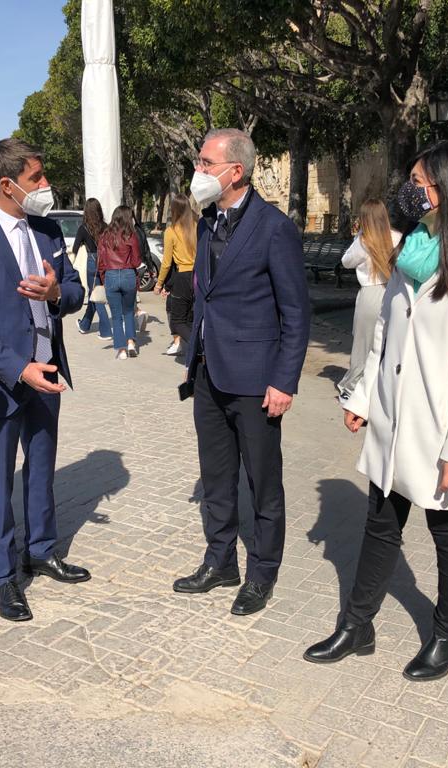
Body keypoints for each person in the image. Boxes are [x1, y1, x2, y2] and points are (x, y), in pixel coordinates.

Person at [303, 140, 448, 681]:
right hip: (394, 418)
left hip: (441, 430)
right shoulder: (412, 250)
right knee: (380, 524)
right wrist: (363, 397)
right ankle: (358, 624)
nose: (410, 191)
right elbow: (383, 335)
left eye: (420, 182)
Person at [0, 137, 88, 623]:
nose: (46, 186)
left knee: (42, 470)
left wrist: (54, 294)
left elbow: (76, 291)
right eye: (36, 179)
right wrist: (17, 368)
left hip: (47, 371)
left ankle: (42, 550)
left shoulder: (47, 230)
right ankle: (5, 577)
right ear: (7, 185)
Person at [173, 128, 310, 616]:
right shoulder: (208, 220)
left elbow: (295, 313)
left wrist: (284, 380)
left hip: (256, 381)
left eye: (207, 163)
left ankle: (262, 572)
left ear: (236, 171)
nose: (199, 171)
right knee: (216, 477)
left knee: (262, 482)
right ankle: (220, 560)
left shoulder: (274, 228)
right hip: (209, 372)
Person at [336, 198, 401, 398]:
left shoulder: (364, 242)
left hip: (370, 293)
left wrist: (359, 236)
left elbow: (346, 261)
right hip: (393, 290)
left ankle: (352, 387)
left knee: (363, 344)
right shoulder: (398, 237)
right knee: (387, 343)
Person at [154, 192, 197, 356]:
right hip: (197, 276)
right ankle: (196, 353)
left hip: (182, 277)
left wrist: (159, 284)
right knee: (191, 317)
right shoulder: (196, 227)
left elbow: (166, 263)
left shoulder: (171, 231)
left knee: (178, 320)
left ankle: (199, 347)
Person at [97, 205, 142, 359]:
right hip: (128, 274)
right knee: (129, 311)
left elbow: (101, 261)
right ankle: (131, 343)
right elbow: (136, 261)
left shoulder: (105, 236)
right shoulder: (131, 235)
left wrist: (104, 279)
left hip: (111, 275)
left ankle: (121, 349)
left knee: (116, 316)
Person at [72, 198, 112, 339]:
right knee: (95, 294)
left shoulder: (83, 228)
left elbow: (75, 248)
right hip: (105, 262)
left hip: (92, 262)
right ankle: (84, 324)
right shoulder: (106, 227)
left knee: (96, 296)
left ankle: (106, 330)